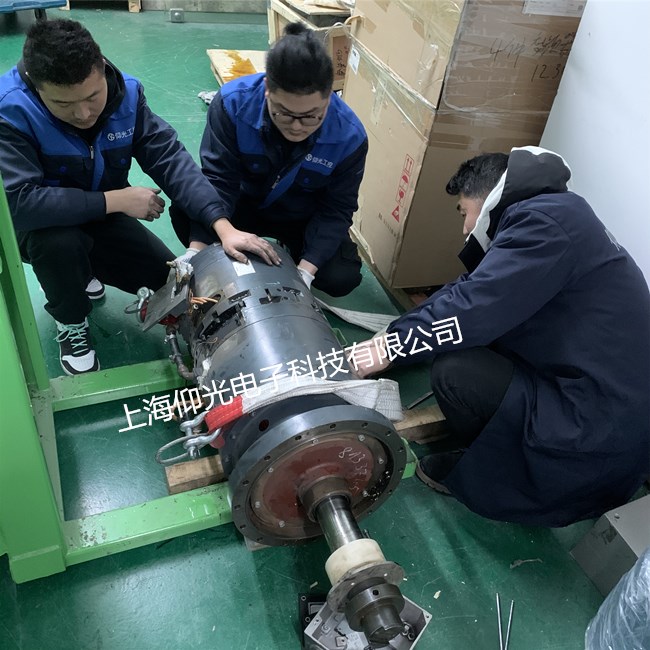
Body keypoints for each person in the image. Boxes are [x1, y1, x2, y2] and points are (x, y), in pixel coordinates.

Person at [353, 146, 650, 527]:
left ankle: (491, 465)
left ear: (486, 195)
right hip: (603, 403)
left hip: (592, 429)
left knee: (456, 371)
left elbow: (472, 309)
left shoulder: (545, 224)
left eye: (463, 212)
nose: (465, 228)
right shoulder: (556, 214)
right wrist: (392, 338)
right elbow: (469, 289)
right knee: (473, 343)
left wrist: (390, 349)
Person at [0, 19, 229, 376]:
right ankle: (71, 320)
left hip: (100, 218)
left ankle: (83, 270)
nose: (83, 114)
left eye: (92, 97)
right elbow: (21, 203)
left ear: (102, 67)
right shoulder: (11, 110)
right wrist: (117, 201)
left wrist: (220, 222)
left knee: (171, 286)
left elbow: (169, 159)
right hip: (40, 229)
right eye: (62, 103)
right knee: (59, 244)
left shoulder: (127, 96)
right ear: (35, 85)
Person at [170, 22, 368, 297]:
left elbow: (337, 209)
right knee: (186, 213)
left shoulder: (348, 136)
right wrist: (196, 252)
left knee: (340, 277)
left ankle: (292, 254)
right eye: (284, 113)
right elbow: (219, 179)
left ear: (328, 96)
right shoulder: (232, 105)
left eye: (311, 116)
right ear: (267, 88)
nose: (297, 127)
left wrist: (305, 273)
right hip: (242, 204)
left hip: (300, 216)